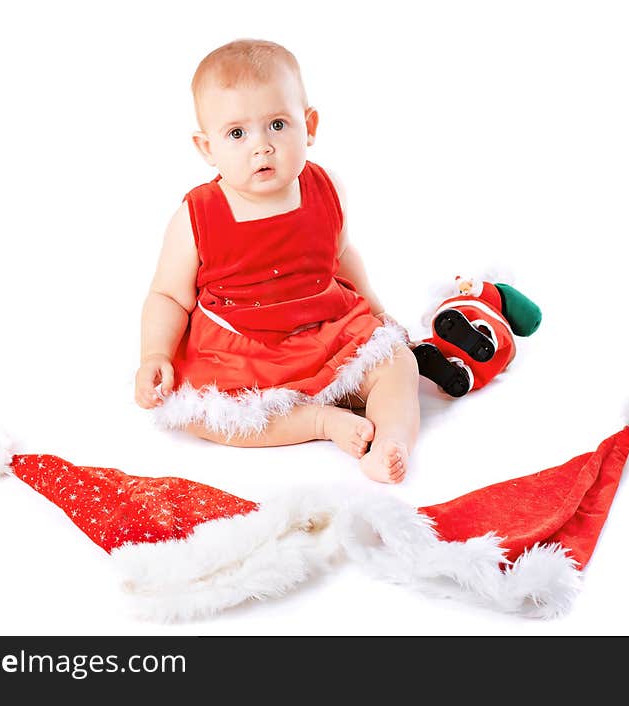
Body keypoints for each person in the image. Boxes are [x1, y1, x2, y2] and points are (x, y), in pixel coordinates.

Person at [133, 39, 418, 484]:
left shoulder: (324, 188)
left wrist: (378, 313)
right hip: (243, 349)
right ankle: (318, 421)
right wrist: (155, 353)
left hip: (326, 328)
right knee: (200, 414)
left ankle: (391, 442)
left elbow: (341, 257)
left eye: (278, 125)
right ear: (206, 148)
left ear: (310, 126)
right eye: (236, 134)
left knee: (399, 364)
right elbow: (168, 295)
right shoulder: (198, 215)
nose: (261, 147)